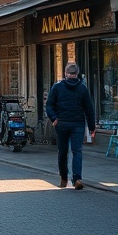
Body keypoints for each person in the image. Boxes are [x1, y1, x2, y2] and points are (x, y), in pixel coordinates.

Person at [46, 61, 96, 190]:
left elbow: (49, 104)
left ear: (65, 73)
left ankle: (63, 178)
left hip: (61, 123)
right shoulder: (82, 88)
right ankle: (77, 178)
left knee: (62, 151)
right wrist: (92, 128)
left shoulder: (57, 87)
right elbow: (89, 109)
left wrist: (53, 118)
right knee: (77, 151)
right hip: (78, 124)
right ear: (77, 73)